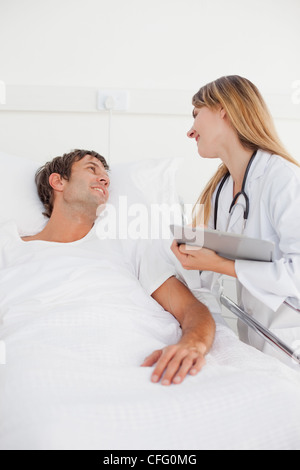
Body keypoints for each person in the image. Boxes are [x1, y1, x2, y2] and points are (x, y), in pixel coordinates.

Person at [3, 148, 216, 386]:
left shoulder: (129, 244)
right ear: (58, 181)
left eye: (106, 175)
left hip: (144, 360)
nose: (104, 178)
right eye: (91, 169)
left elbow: (189, 308)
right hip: (36, 359)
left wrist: (193, 344)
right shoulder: (8, 244)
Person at [171, 75, 300, 362]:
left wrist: (220, 263)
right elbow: (210, 277)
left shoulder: (283, 179)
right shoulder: (222, 188)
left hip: (292, 339)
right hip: (257, 341)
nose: (190, 132)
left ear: (223, 110)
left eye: (196, 114)